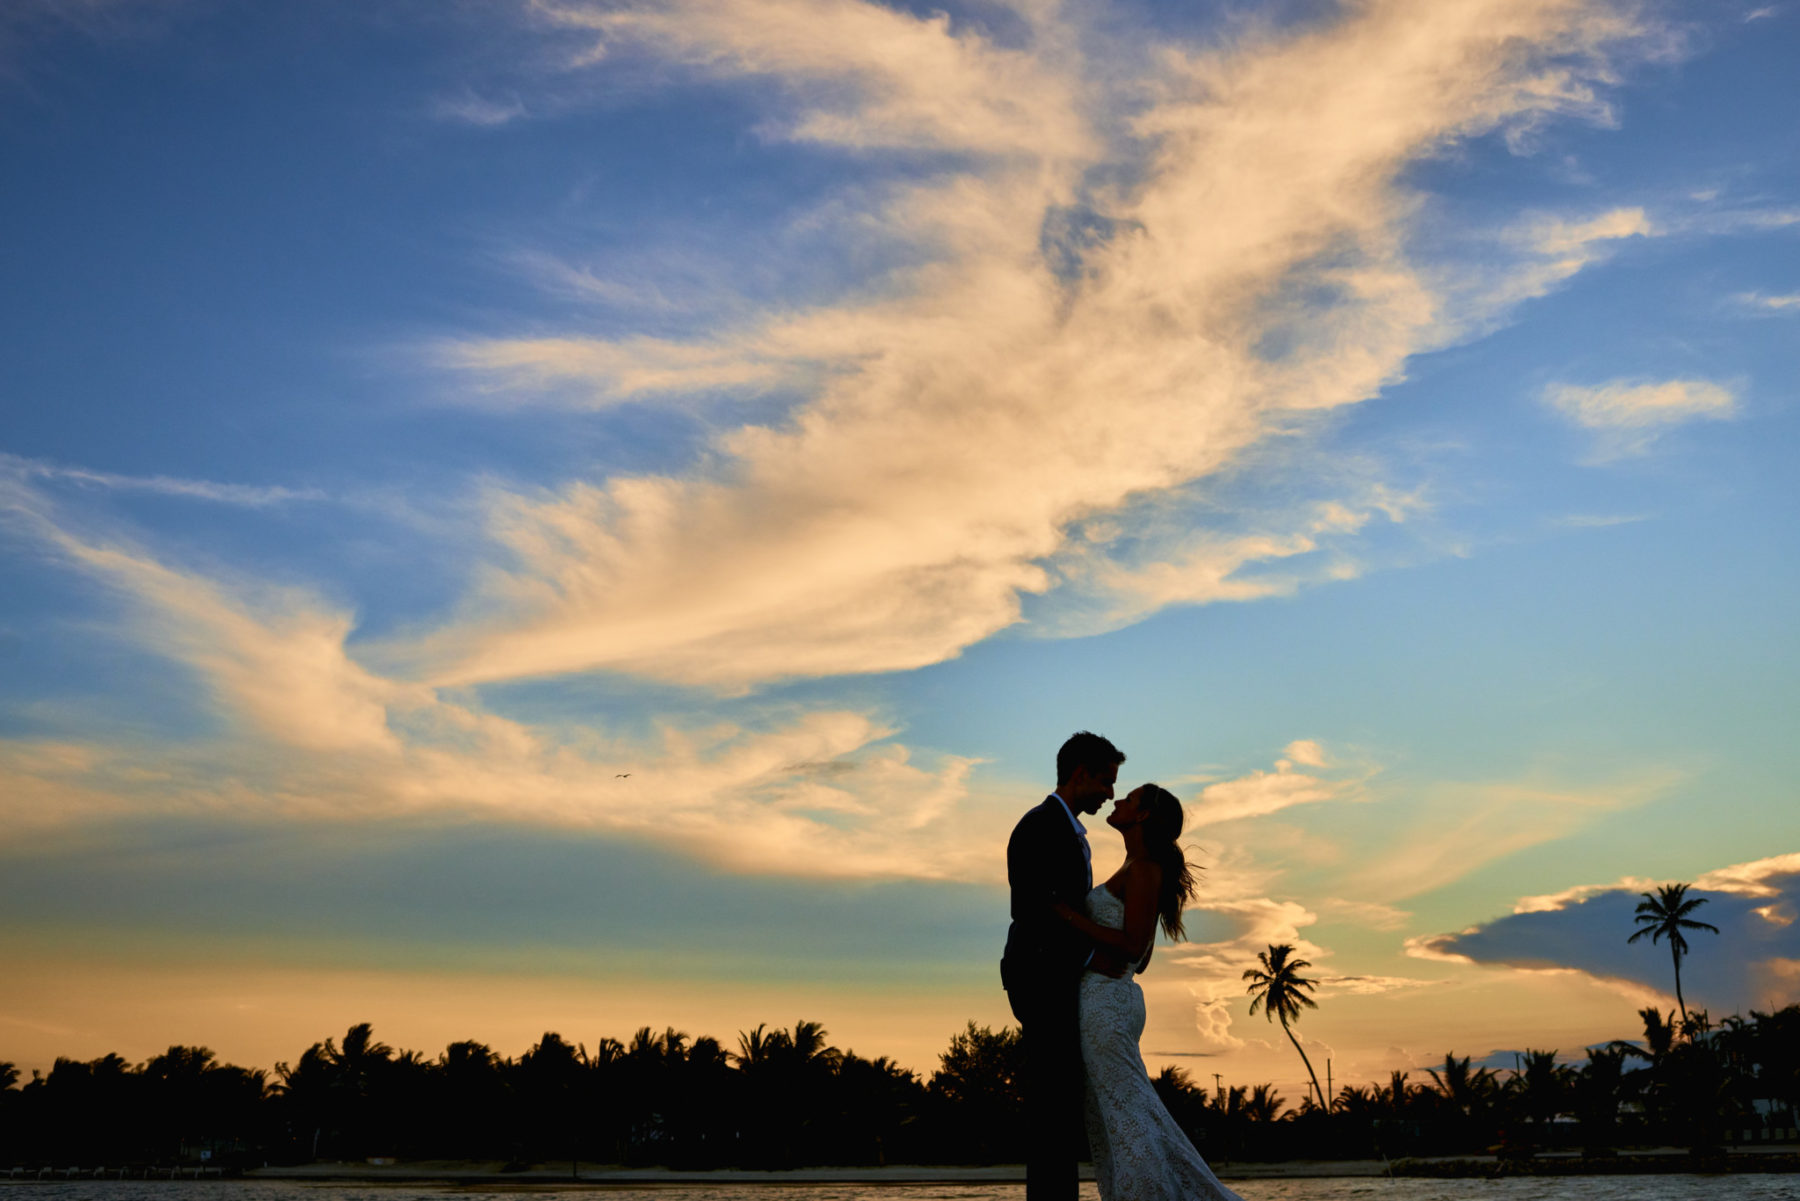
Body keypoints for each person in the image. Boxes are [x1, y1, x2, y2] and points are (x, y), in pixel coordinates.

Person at [1054, 783, 1246, 1201]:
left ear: (1141, 816)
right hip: (1107, 998)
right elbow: (1140, 957)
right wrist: (1098, 952)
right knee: (1116, 1112)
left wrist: (1069, 916)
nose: (1118, 800)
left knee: (1127, 1113)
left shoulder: (1143, 869)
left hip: (1107, 1004)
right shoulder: (1136, 866)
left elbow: (1132, 948)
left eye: (1129, 798)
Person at [1002, 730, 1128, 1201]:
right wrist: (1093, 955)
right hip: (1040, 979)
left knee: (1059, 1103)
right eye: (1106, 781)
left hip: (1056, 977)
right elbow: (1035, 911)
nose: (1110, 793)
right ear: (1080, 775)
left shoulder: (1068, 831)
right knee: (1051, 1104)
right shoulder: (1039, 827)